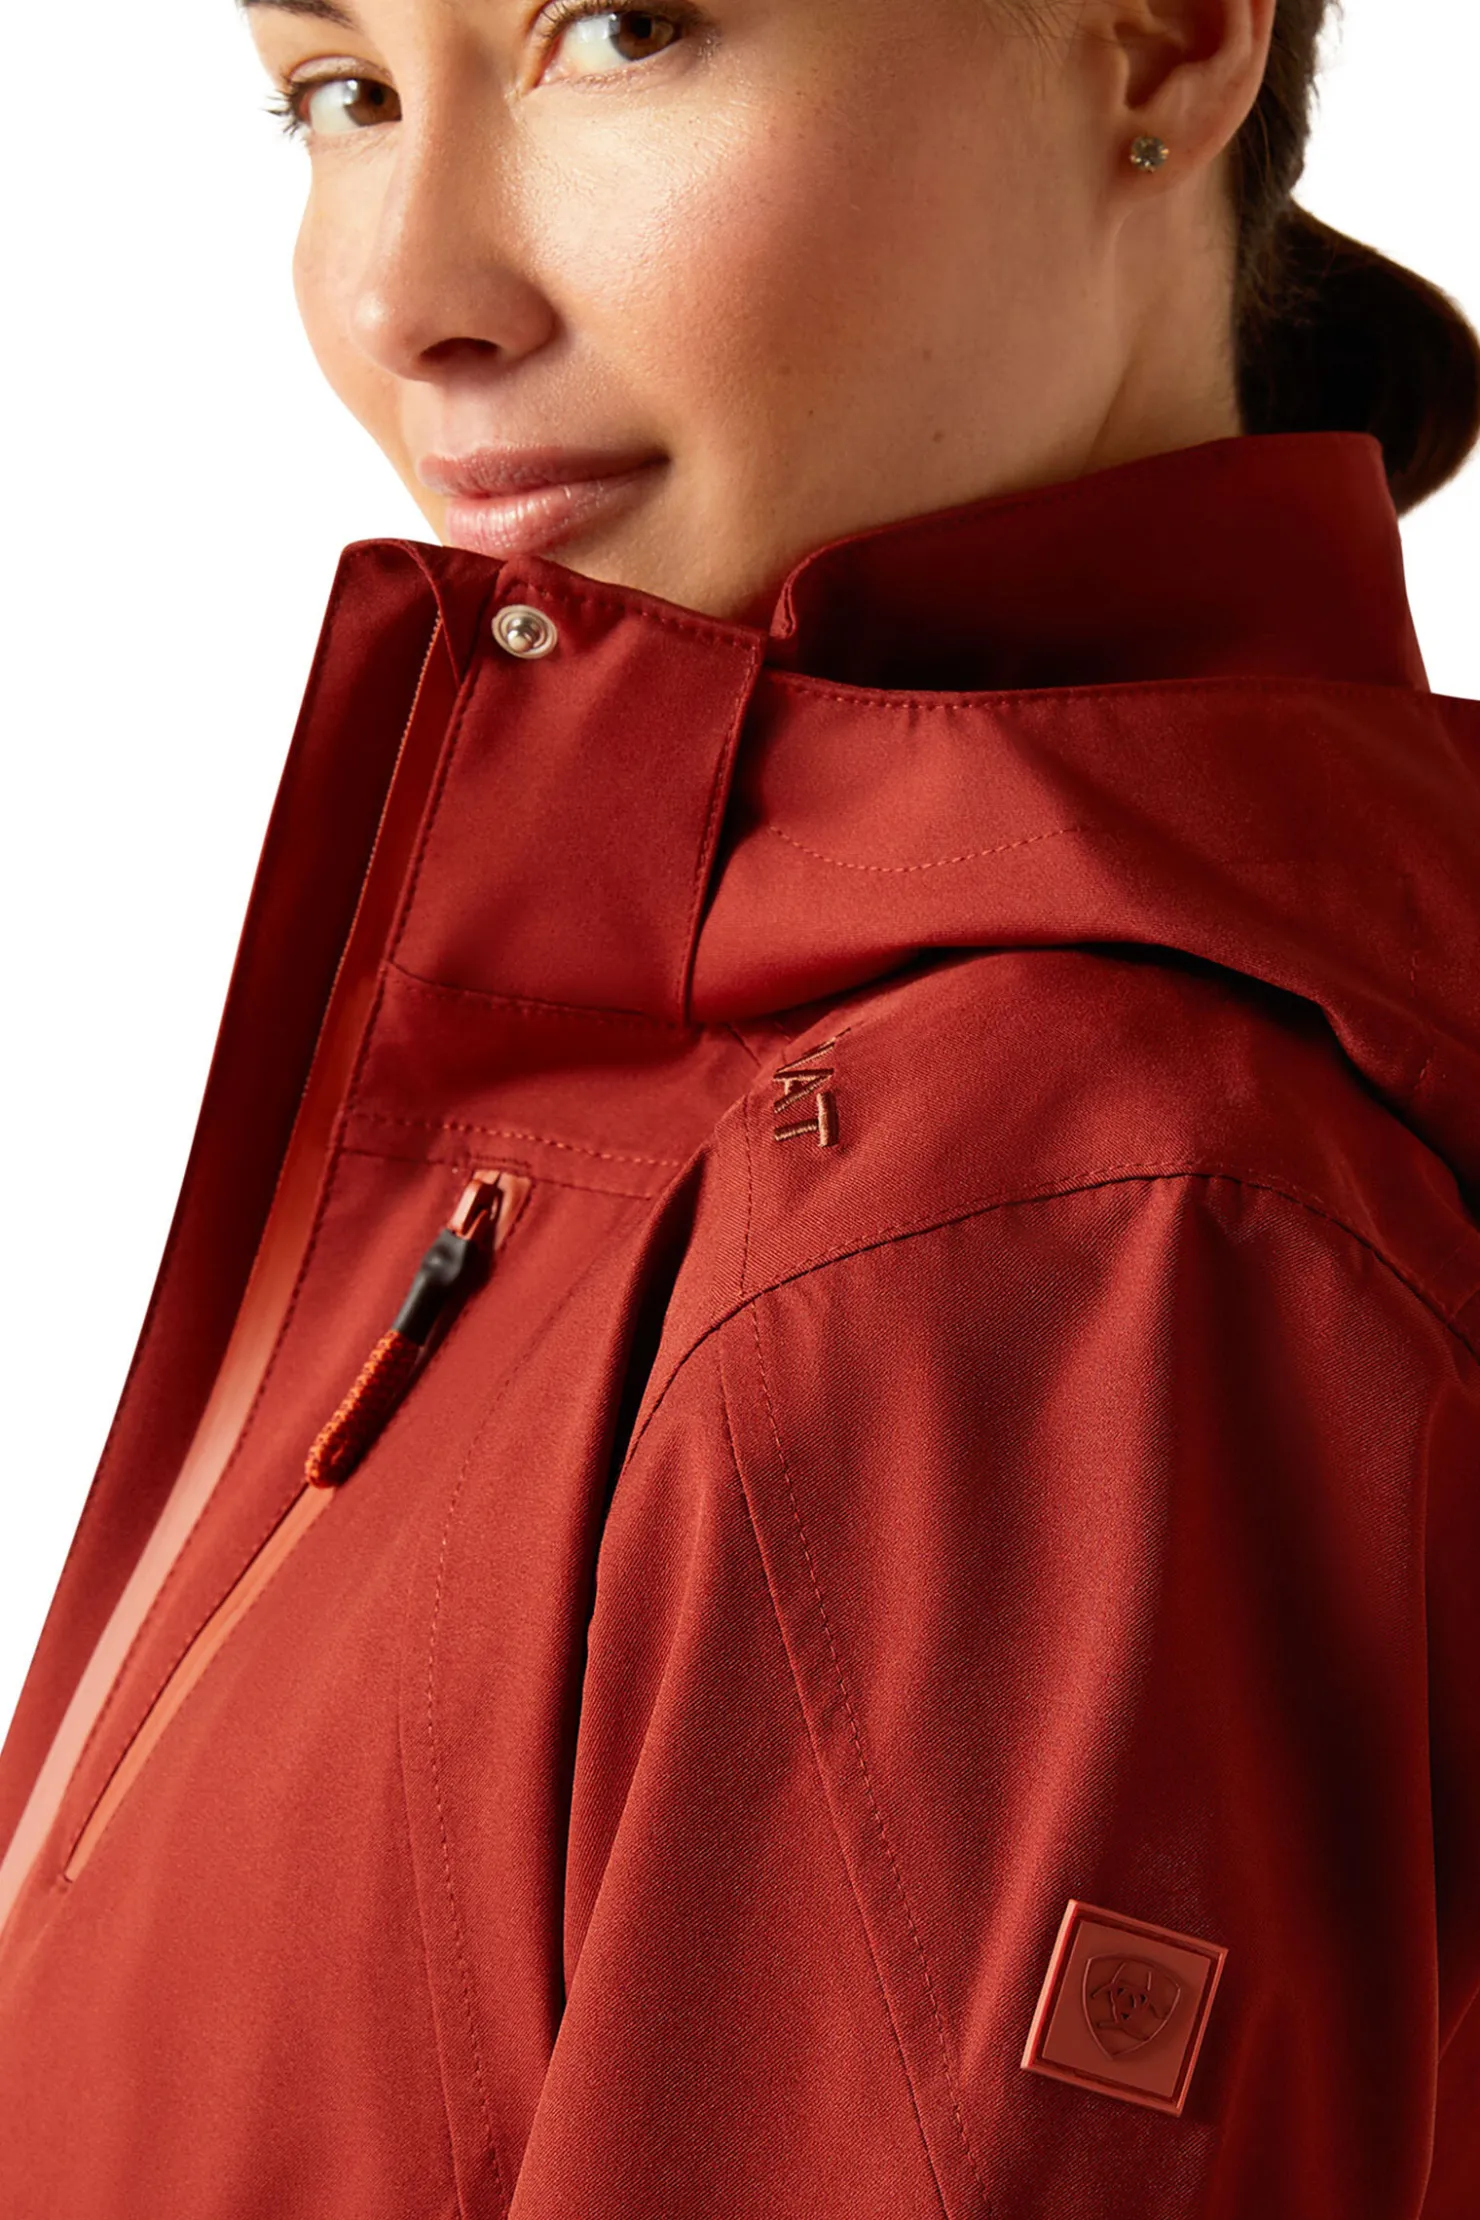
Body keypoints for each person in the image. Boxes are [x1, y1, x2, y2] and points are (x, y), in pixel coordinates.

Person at [0, 0, 1477, 2209]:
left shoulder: (1044, 1230)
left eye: (620, 29)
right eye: (343, 92)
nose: (407, 293)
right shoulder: (713, 1073)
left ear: (1160, 43)